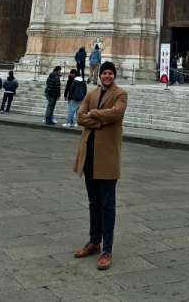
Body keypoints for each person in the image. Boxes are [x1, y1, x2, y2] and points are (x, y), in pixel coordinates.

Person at [72, 61, 127, 271]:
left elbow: (116, 114)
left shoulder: (121, 95)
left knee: (107, 205)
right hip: (89, 159)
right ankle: (94, 242)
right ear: (100, 75)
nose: (106, 76)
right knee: (93, 203)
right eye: (104, 73)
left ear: (114, 76)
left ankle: (107, 250)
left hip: (107, 160)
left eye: (110, 73)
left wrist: (92, 115)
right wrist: (97, 119)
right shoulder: (91, 93)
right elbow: (79, 116)